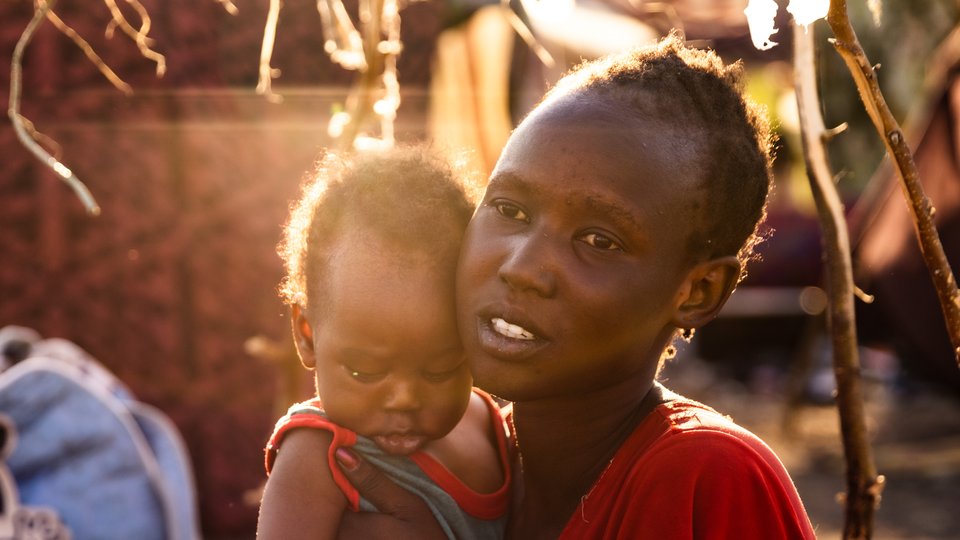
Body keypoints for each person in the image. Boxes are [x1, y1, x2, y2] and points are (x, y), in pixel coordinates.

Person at [337, 33, 817, 539]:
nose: (522, 268)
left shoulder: (707, 475)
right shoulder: (441, 460)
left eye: (598, 240)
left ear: (698, 291)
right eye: (510, 209)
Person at [256, 147, 511, 539]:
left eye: (440, 370)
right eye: (366, 371)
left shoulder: (489, 422)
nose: (404, 398)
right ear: (306, 335)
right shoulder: (316, 458)